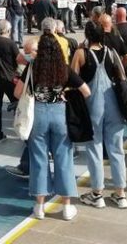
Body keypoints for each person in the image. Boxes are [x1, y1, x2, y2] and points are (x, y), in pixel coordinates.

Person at [16, 33, 90, 221]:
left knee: (38, 159)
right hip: (60, 115)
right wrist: (66, 92)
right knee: (64, 159)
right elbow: (86, 91)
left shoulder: (33, 67)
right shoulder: (63, 68)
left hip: (38, 115)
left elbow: (17, 93)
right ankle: (66, 206)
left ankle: (39, 206)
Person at [73, 23, 127, 209]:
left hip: (92, 104)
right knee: (116, 148)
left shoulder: (81, 54)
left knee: (94, 147)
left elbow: (73, 78)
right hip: (113, 103)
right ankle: (120, 193)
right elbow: (121, 75)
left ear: (87, 35)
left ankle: (97, 193)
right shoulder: (111, 52)